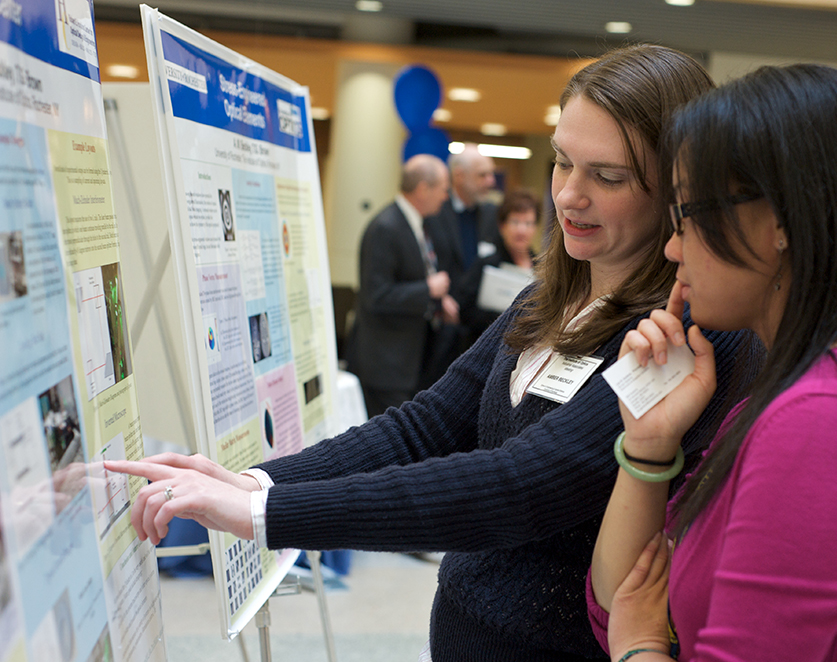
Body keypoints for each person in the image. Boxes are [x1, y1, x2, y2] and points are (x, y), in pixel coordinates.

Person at [106, 44, 764, 662]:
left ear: (675, 193)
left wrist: (265, 515)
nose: (569, 195)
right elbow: (421, 427)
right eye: (562, 162)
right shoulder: (546, 298)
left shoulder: (679, 335)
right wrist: (257, 481)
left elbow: (515, 487)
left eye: (608, 177)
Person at [587, 64, 837, 662]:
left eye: (686, 216)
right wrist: (649, 446)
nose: (671, 248)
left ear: (780, 225)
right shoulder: (797, 394)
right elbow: (624, 601)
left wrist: (638, 650)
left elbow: (636, 631)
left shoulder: (829, 418)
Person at [345, 153, 461, 416]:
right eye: (443, 190)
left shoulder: (415, 223)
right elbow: (376, 295)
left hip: (405, 360)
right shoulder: (386, 228)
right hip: (384, 365)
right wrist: (428, 290)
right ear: (423, 189)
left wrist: (437, 299)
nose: (445, 197)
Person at [453, 188, 539, 345]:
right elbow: (464, 310)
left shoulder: (543, 268)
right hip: (487, 346)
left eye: (528, 223)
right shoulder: (487, 264)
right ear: (502, 226)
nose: (522, 230)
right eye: (515, 222)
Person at [428, 142, 500, 272]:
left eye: (491, 174)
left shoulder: (492, 213)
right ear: (459, 176)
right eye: (482, 175)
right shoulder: (434, 212)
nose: (491, 181)